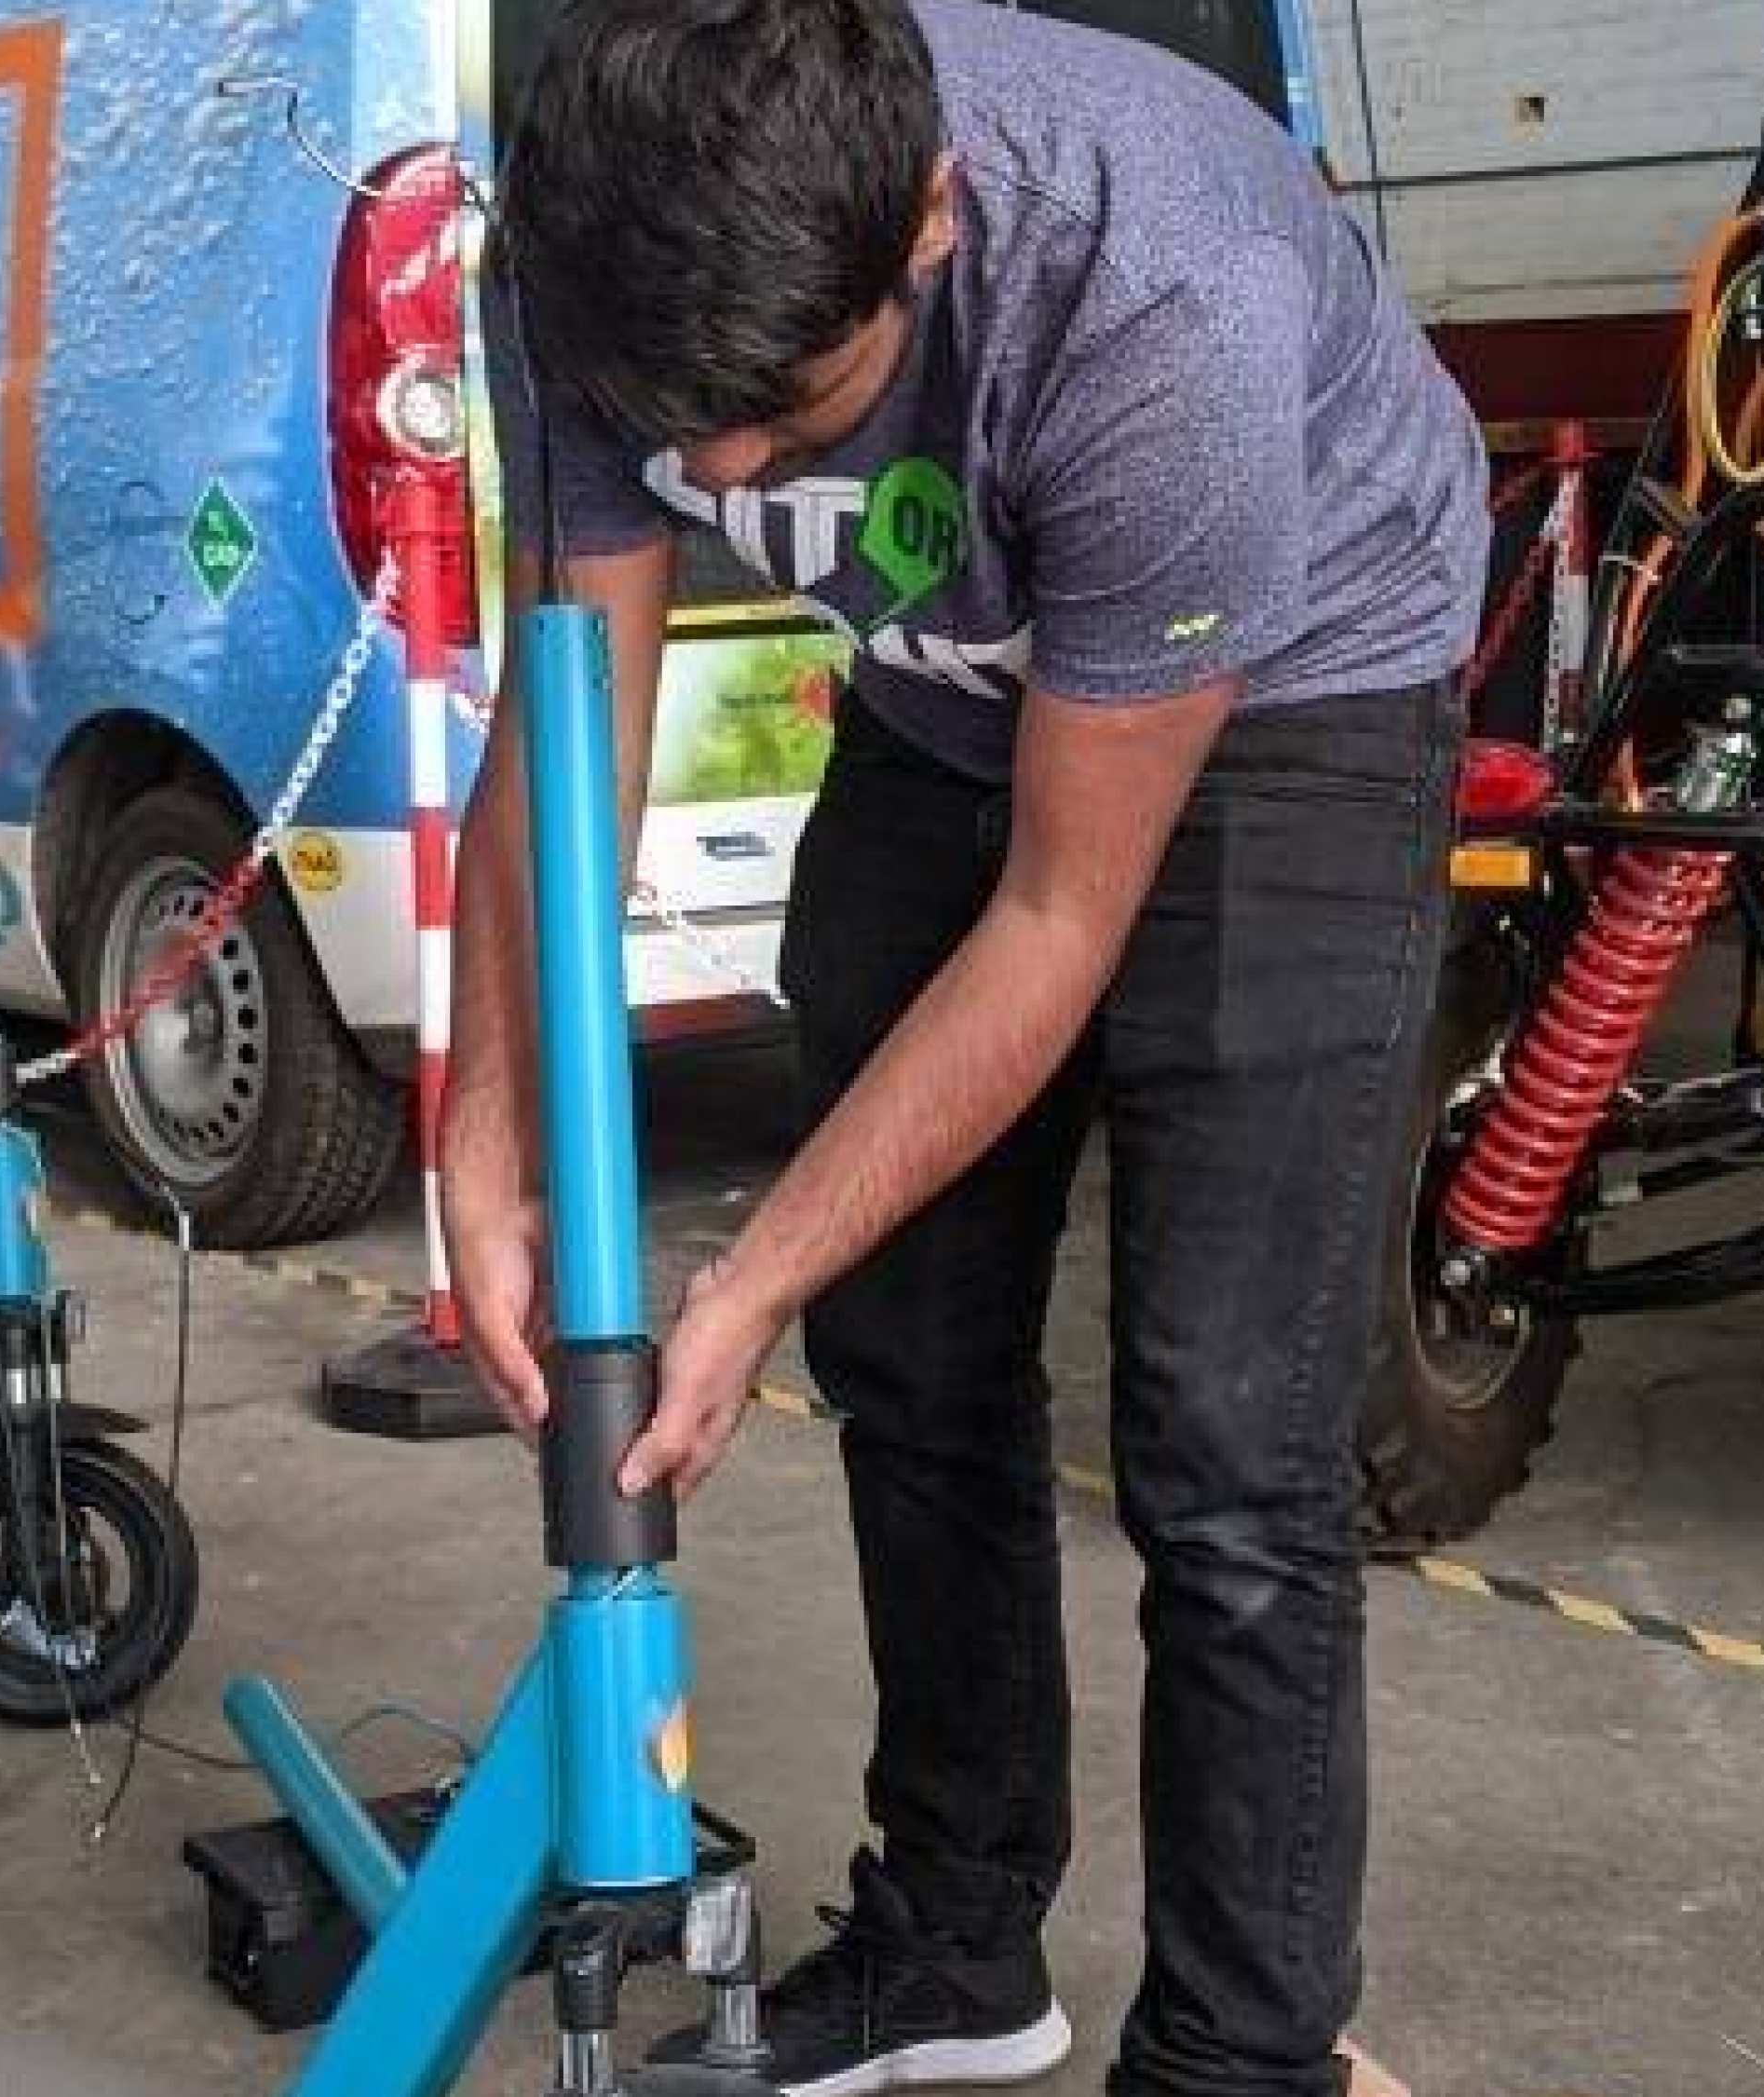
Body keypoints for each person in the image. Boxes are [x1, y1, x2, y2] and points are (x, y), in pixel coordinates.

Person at [443, 3, 1489, 2093]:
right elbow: (567, 734)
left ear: (926, 220)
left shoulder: (1153, 298)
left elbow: (1053, 922)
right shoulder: (596, 247)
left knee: (1224, 1444)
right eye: (685, 419)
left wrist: (741, 1275)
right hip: (944, 705)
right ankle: (953, 1941)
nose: (728, 470)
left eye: (784, 407)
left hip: (1288, 706)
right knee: (909, 1357)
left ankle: (1237, 2055)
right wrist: (485, 1138)